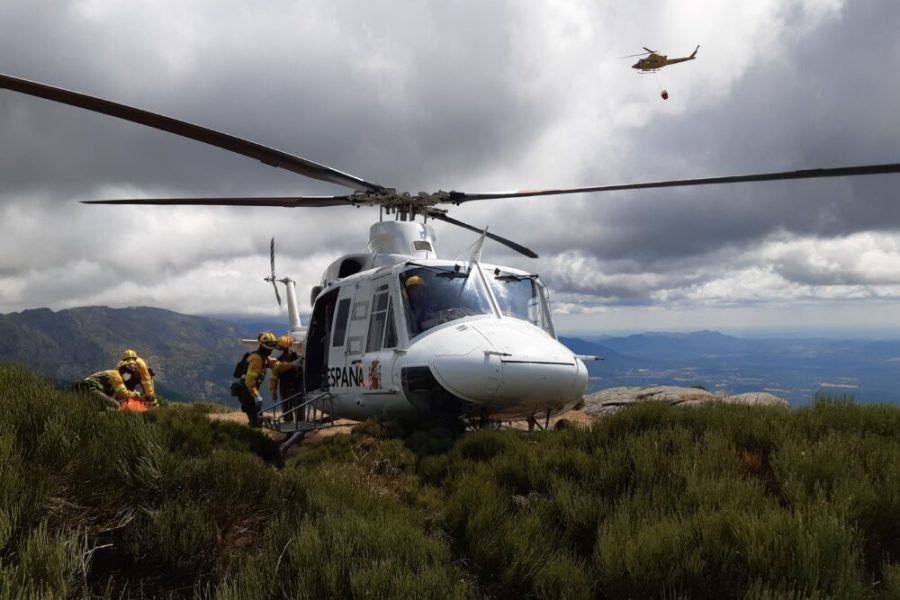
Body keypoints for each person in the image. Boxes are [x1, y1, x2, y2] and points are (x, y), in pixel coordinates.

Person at [237, 331, 278, 427]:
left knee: (258, 419)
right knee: (255, 422)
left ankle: (254, 436)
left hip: (249, 392)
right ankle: (252, 439)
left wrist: (290, 364)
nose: (271, 348)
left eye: (273, 344)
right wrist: (255, 395)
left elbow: (274, 364)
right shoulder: (257, 360)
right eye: (270, 344)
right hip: (248, 393)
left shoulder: (263, 357)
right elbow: (249, 381)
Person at [268, 335, 304, 422]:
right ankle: (298, 431)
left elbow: (274, 377)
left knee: (289, 411)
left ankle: (291, 431)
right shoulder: (298, 358)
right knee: (297, 410)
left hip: (288, 389)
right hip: (295, 389)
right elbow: (274, 377)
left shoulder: (279, 361)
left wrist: (273, 391)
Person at [78, 363, 142, 410]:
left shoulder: (113, 375)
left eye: (130, 374)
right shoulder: (116, 375)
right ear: (123, 370)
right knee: (116, 405)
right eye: (128, 373)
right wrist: (135, 394)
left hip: (84, 388)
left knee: (104, 403)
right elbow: (123, 393)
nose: (128, 376)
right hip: (90, 388)